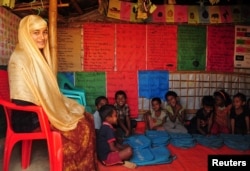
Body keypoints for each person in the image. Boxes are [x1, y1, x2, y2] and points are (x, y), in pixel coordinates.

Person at [8, 15, 97, 171]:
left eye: (44, 32)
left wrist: (56, 107)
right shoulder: (20, 58)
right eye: (36, 32)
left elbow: (44, 92)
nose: (42, 37)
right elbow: (23, 100)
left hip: (37, 112)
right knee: (82, 128)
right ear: (25, 34)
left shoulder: (33, 55)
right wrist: (53, 111)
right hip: (28, 117)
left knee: (86, 117)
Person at [97, 104, 136, 169]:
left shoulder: (105, 126)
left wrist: (123, 148)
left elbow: (115, 144)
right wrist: (121, 151)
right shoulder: (108, 129)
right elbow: (112, 148)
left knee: (127, 146)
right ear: (108, 118)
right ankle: (121, 162)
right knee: (129, 151)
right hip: (106, 158)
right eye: (115, 116)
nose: (117, 117)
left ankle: (121, 156)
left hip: (103, 155)